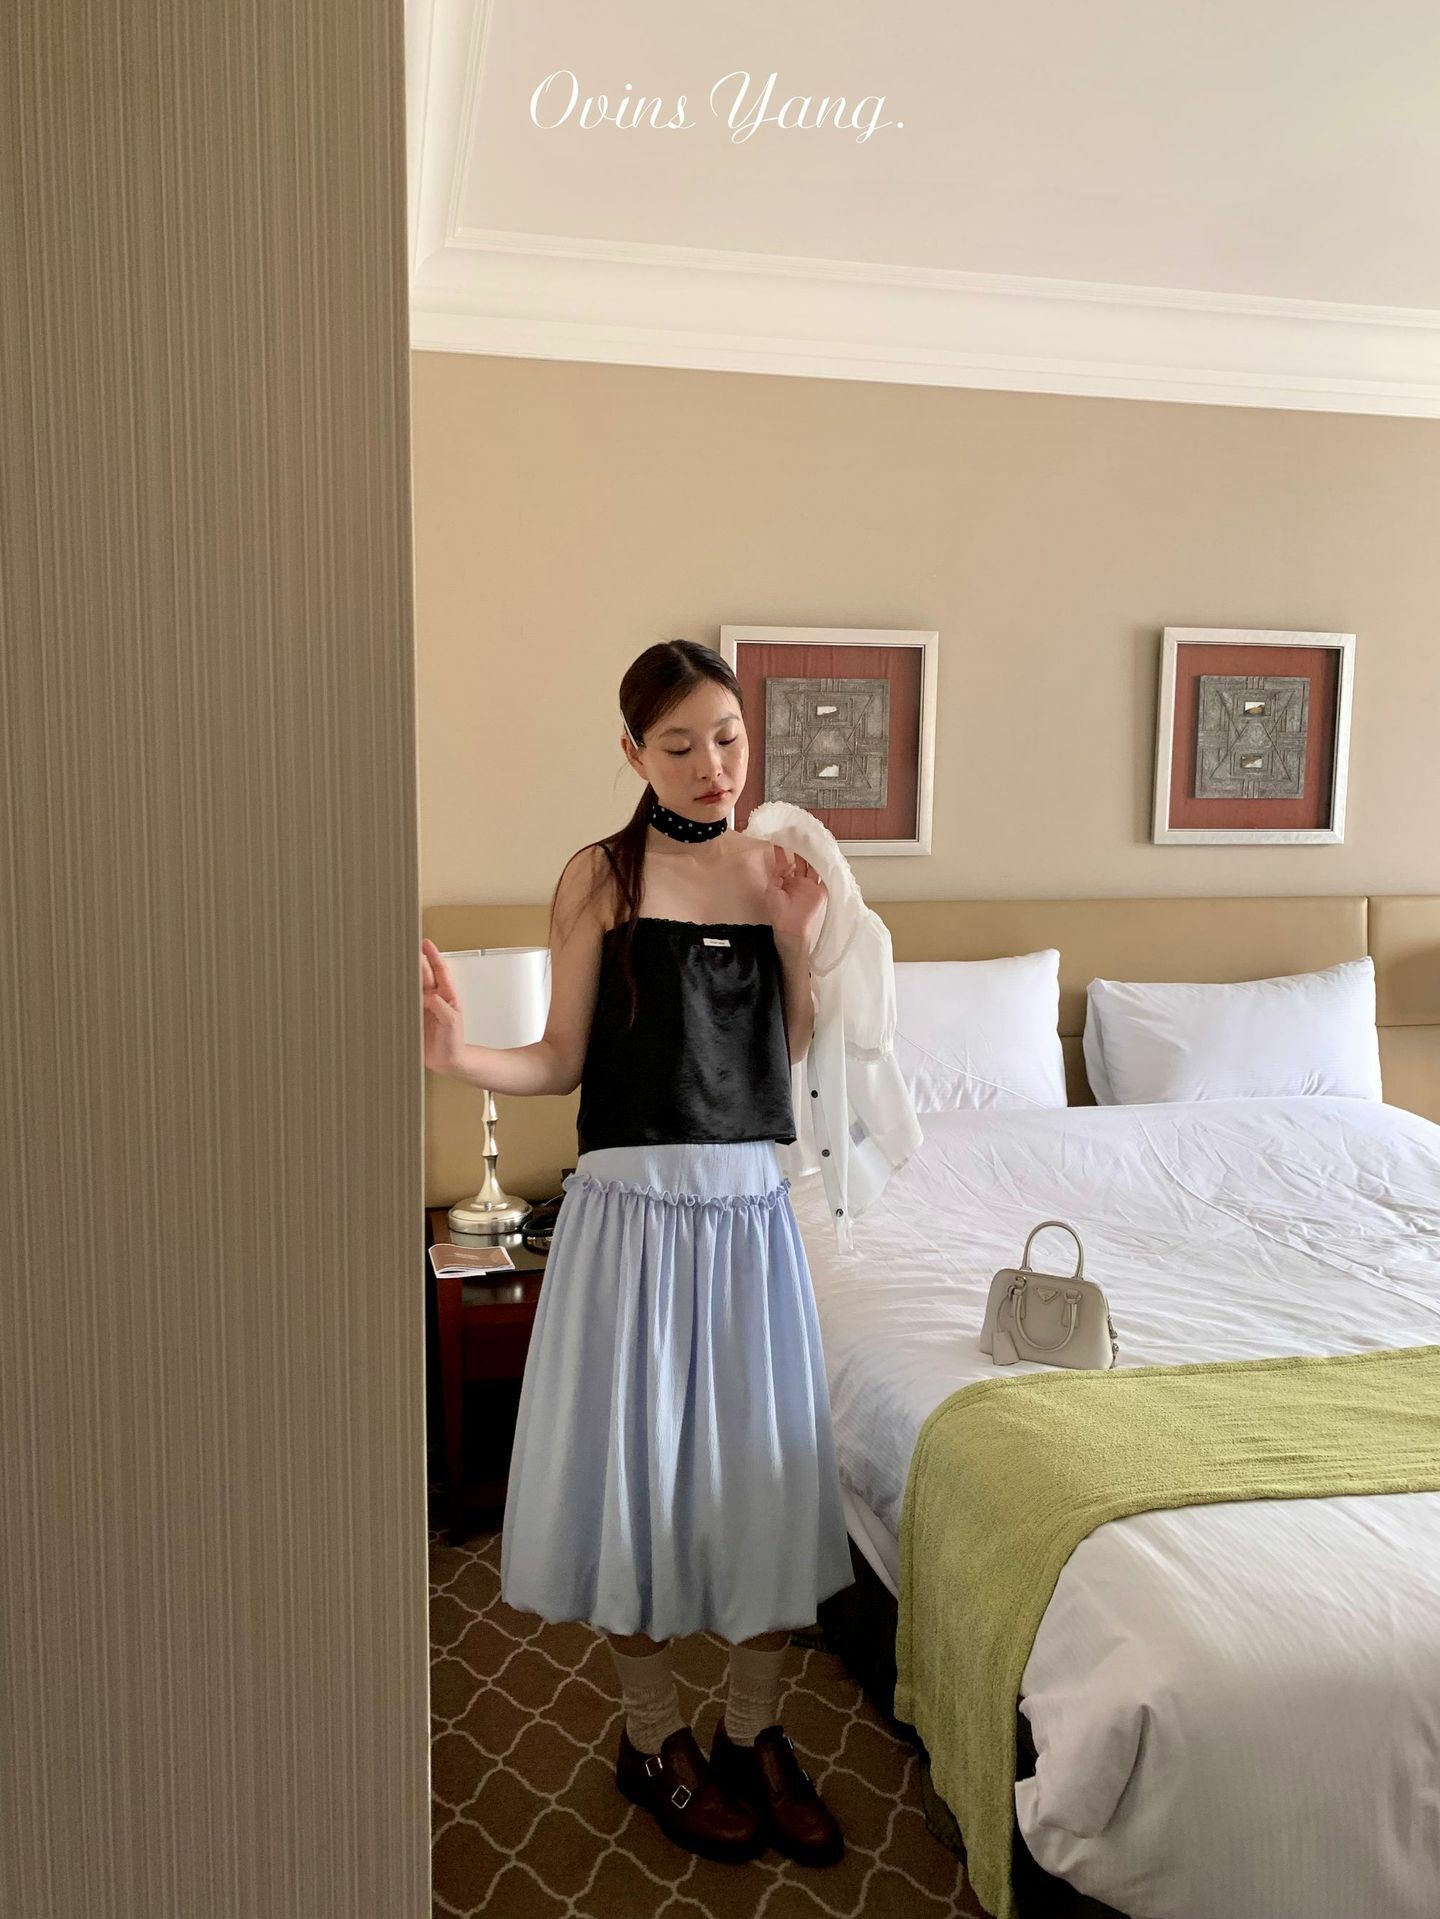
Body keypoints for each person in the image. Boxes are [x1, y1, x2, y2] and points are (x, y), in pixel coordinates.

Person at [421, 640, 855, 1870]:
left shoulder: (781, 869)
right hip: (631, 1216)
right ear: (632, 752)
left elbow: (792, 1053)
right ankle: (652, 1734)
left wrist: (794, 937)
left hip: (748, 1212)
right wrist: (455, 1056)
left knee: (765, 1478)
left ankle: (753, 1732)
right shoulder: (599, 877)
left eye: (729, 735)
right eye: (679, 744)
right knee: (640, 1477)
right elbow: (562, 1058)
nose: (713, 764)